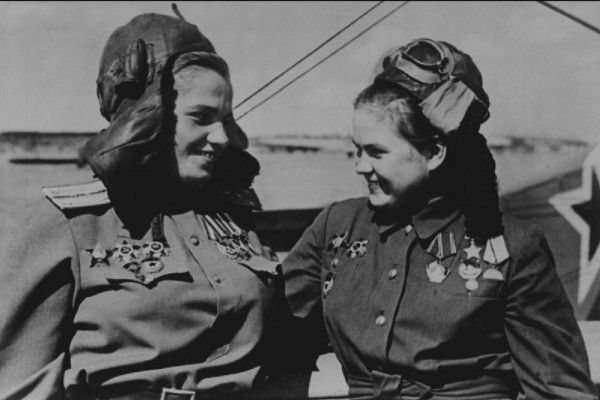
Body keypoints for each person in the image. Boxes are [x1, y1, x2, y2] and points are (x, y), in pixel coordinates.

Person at [282, 38, 598, 399]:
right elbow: (269, 328)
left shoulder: (514, 247)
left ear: (433, 152)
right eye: (356, 150)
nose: (360, 166)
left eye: (376, 153)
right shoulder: (338, 227)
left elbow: (561, 390)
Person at [0, 11, 282, 400]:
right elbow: (17, 384)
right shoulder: (72, 223)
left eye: (225, 118)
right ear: (149, 114)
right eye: (201, 117)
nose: (222, 137)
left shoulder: (236, 215)